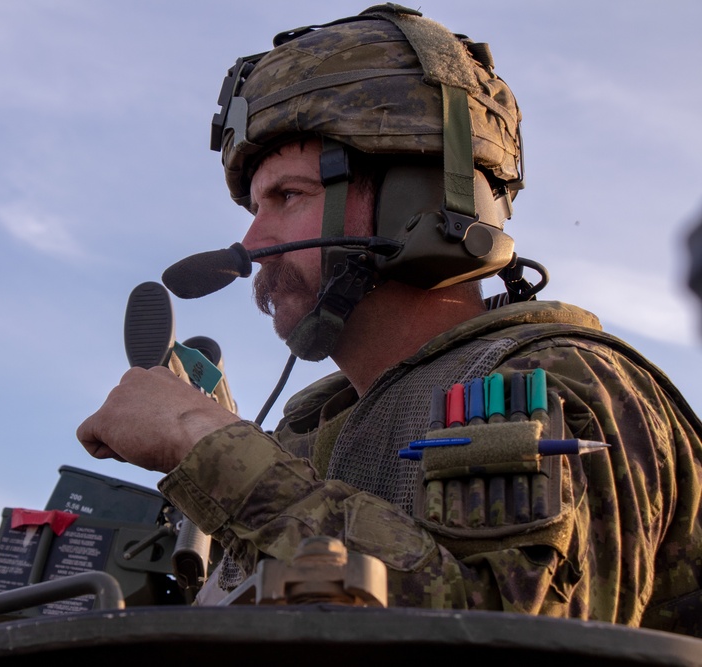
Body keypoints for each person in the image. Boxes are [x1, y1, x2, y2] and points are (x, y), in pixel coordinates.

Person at [76, 5, 702, 634]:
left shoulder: (558, 381)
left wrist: (201, 439)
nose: (252, 239)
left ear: (417, 203)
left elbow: (516, 640)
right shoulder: (307, 436)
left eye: (287, 197)